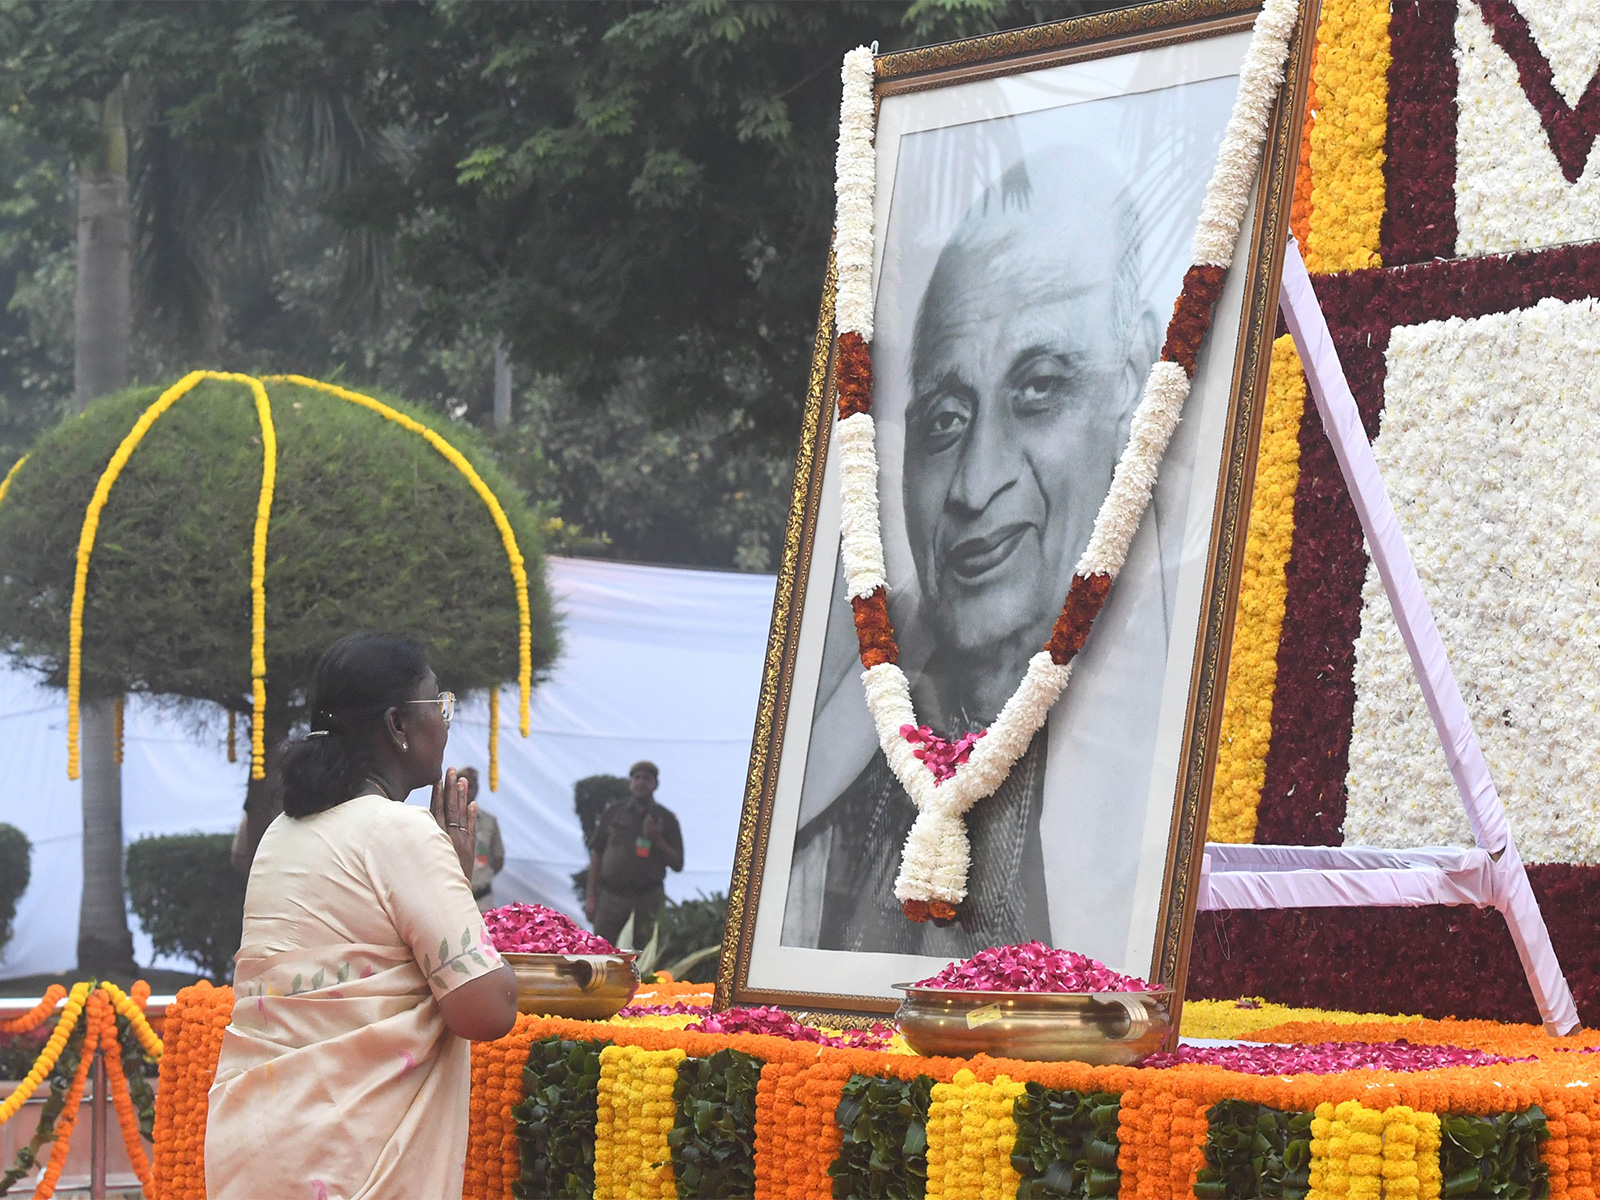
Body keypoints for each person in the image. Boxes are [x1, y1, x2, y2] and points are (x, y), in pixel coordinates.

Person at [786, 148, 1171, 957]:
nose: (975, 484)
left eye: (1038, 387)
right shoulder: (850, 742)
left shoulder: (1165, 701)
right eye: (945, 418)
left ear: (1134, 376)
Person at [206, 632, 518, 1200]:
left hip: (253, 1147)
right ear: (398, 725)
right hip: (348, 1159)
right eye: (439, 706)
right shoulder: (399, 830)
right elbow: (487, 1009)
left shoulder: (282, 831)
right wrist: (459, 885)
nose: (446, 724)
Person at [584, 760, 683, 947]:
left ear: (655, 784)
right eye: (636, 777)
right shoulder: (614, 812)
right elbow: (597, 854)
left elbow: (678, 864)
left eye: (646, 778)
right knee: (601, 952)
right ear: (630, 783)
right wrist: (591, 897)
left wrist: (657, 839)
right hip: (610, 899)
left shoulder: (666, 819)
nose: (640, 782)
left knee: (644, 957)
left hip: (647, 901)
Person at [459, 767, 505, 912]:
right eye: (464, 786)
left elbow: (498, 857)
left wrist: (483, 875)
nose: (469, 791)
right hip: (453, 895)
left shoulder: (488, 821)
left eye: (472, 786)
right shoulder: (444, 818)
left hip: (481, 897)